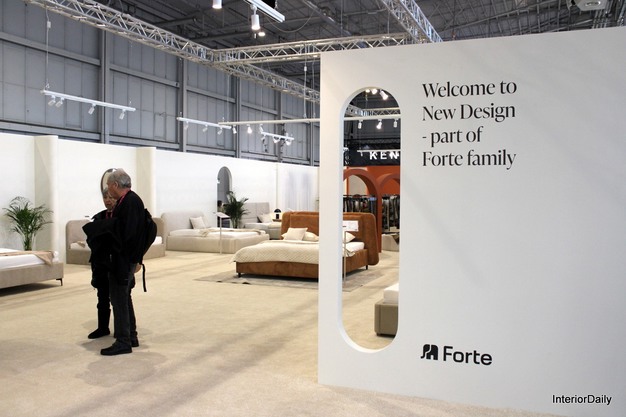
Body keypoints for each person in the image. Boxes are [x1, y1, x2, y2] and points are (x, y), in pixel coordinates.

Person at [101, 168, 146, 356]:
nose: (108, 190)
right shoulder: (129, 201)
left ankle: (123, 341)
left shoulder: (129, 202)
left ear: (115, 185)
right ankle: (131, 336)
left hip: (123, 259)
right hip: (125, 259)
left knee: (119, 299)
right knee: (124, 298)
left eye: (108, 185)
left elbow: (128, 234)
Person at [86, 188, 116, 339]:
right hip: (101, 264)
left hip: (116, 264)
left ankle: (124, 330)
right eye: (105, 197)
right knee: (102, 297)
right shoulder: (99, 218)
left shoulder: (122, 217)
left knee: (119, 299)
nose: (108, 200)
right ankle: (102, 328)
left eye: (111, 197)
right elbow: (91, 239)